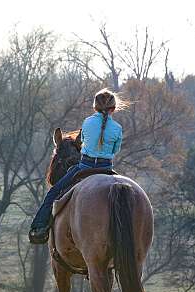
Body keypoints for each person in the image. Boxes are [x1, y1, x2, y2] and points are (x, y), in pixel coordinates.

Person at [28, 88, 124, 244]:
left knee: (53, 193)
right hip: (107, 168)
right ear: (113, 109)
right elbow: (115, 150)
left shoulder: (87, 123)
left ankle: (38, 227)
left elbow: (83, 141)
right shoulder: (118, 128)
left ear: (95, 107)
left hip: (84, 166)